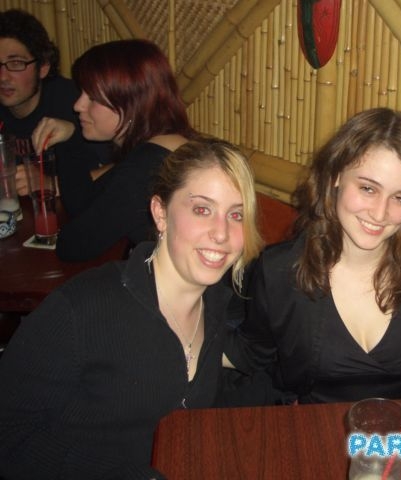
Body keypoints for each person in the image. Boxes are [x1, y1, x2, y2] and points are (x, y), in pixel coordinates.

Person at [0, 137, 263, 479]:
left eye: (236, 215)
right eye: (202, 209)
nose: (222, 233)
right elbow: (9, 435)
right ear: (161, 213)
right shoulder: (81, 309)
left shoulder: (216, 306)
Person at [225, 107, 401, 404]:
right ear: (335, 176)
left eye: (400, 198)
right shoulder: (279, 271)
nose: (380, 213)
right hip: (315, 429)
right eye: (368, 188)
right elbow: (252, 352)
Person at [31, 38, 197, 262]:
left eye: (93, 98)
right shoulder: (165, 147)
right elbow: (84, 203)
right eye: (81, 93)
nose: (78, 105)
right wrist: (70, 138)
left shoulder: (148, 167)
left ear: (133, 103)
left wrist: (70, 144)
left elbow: (73, 246)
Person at [0, 9, 110, 215]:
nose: (3, 77)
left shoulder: (77, 103)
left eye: (16, 64)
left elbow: (123, 165)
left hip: (79, 217)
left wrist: (54, 184)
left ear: (43, 67)